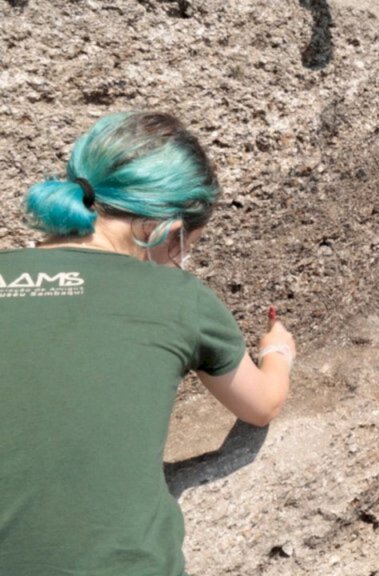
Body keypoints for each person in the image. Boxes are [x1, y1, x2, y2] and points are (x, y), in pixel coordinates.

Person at [0, 111, 296, 575]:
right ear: (168, 228)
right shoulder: (177, 296)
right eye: (186, 246)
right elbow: (260, 405)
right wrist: (277, 353)